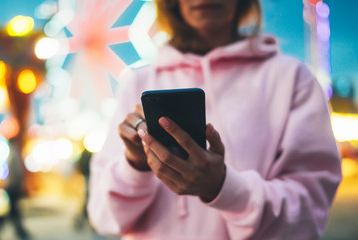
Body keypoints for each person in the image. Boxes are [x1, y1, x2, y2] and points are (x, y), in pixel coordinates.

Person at [87, 0, 342, 239]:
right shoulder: (138, 84)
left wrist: (224, 188)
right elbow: (104, 218)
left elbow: (309, 215)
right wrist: (135, 165)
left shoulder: (291, 79)